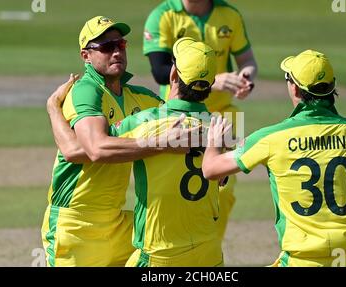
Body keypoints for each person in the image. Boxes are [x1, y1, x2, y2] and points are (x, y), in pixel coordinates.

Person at [202, 49, 346, 267]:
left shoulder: (271, 137)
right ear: (332, 88)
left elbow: (210, 169)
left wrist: (214, 141)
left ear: (294, 88)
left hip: (302, 261)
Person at [42, 16, 186, 267]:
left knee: (171, 246)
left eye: (120, 45)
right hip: (75, 225)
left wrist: (217, 151)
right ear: (86, 56)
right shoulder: (86, 90)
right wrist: (160, 143)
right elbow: (92, 149)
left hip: (117, 223)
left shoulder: (140, 98)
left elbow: (180, 120)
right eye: (107, 47)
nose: (117, 52)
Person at [143, 0, 258, 240]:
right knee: (173, 188)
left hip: (221, 116)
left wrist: (246, 77)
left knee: (222, 192)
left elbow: (247, 60)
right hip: (178, 115)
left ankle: (208, 250)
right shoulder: (163, 15)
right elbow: (161, 72)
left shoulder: (229, 14)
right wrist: (212, 80)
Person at [113, 37, 222, 266]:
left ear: (173, 75)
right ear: (211, 83)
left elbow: (92, 145)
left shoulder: (140, 123)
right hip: (209, 252)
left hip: (159, 253)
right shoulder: (222, 128)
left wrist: (53, 109)